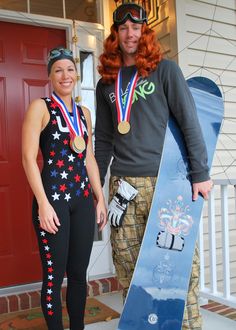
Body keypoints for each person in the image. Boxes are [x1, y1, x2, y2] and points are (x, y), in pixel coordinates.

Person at [95, 3, 213, 330]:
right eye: (123, 28)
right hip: (122, 188)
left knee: (179, 266)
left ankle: (187, 325)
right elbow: (103, 140)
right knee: (129, 267)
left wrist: (200, 174)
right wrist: (97, 190)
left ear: (144, 31)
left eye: (136, 27)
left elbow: (190, 123)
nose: (130, 34)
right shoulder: (107, 83)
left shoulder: (165, 70)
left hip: (166, 186)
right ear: (115, 34)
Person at [22, 46, 107, 330]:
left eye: (70, 69)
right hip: (53, 202)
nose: (65, 75)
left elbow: (90, 158)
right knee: (54, 276)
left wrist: (100, 198)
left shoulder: (84, 113)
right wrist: (43, 204)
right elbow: (28, 158)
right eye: (58, 70)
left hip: (82, 201)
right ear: (50, 76)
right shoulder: (40, 107)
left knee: (79, 274)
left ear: (76, 74)